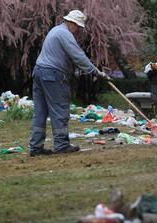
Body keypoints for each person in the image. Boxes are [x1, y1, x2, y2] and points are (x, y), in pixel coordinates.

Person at [29, 10, 107, 156]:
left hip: (39, 72)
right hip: (52, 75)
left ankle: (36, 147)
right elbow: (78, 56)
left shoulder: (55, 31)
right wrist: (95, 71)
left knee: (40, 112)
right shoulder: (65, 34)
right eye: (78, 26)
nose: (78, 30)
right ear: (71, 23)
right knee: (60, 109)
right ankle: (61, 145)